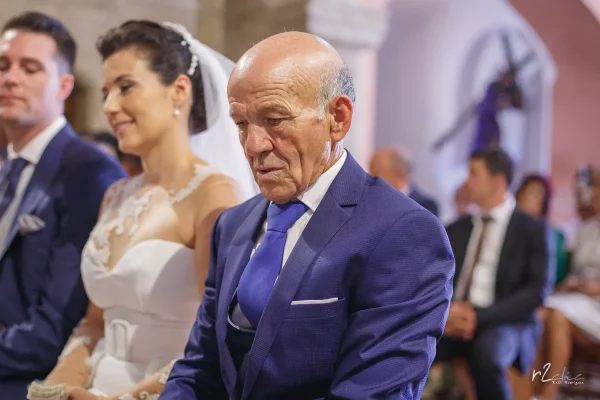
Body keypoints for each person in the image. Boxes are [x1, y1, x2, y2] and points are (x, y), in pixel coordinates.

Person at [161, 31, 455, 400]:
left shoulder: (403, 233)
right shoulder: (232, 225)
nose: (253, 145)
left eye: (274, 119)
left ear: (338, 118)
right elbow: (200, 365)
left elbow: (371, 392)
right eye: (241, 123)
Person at [26, 20, 251, 400]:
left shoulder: (215, 197)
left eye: (125, 87)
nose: (110, 107)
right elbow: (95, 321)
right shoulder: (115, 195)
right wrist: (60, 385)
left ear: (178, 91)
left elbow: (213, 338)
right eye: (105, 93)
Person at [0, 12, 125, 398]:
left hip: (28, 379)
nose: (10, 77)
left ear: (65, 84)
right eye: (3, 65)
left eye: (31, 67)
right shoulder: (8, 167)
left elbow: (59, 323)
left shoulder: (88, 171)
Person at [437, 148, 549, 400]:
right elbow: (436, 280)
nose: (466, 181)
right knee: (406, 343)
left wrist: (479, 316)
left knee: (488, 356)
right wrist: (448, 313)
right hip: (455, 317)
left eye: (473, 174)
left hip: (505, 319)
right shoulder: (456, 228)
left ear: (498, 181)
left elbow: (537, 291)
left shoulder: (532, 229)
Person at [537, 167, 600, 400]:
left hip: (595, 304)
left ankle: (549, 392)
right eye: (593, 190)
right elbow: (574, 270)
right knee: (538, 314)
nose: (592, 195)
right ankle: (527, 390)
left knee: (557, 315)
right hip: (578, 299)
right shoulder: (585, 230)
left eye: (597, 190)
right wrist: (572, 283)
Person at [516, 174, 568, 286]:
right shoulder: (506, 230)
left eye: (536, 193)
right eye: (525, 191)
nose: (527, 197)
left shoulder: (554, 235)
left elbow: (558, 276)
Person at [369, 146, 439, 216]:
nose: (372, 179)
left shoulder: (425, 206)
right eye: (371, 173)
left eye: (376, 173)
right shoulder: (370, 203)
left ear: (401, 174)